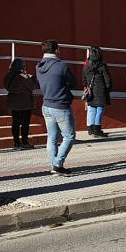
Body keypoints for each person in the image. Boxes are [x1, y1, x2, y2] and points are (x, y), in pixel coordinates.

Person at [36, 40, 78, 176]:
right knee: (69, 136)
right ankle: (57, 164)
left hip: (46, 104)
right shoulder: (61, 66)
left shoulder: (38, 66)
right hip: (60, 105)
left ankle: (54, 164)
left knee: (52, 137)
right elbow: (74, 83)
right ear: (56, 50)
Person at [3, 58, 35, 150]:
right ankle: (25, 142)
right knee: (25, 123)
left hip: (13, 103)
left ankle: (16, 142)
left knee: (15, 123)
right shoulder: (23, 76)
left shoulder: (8, 76)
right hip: (25, 103)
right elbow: (31, 86)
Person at [82, 46, 112, 138]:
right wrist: (108, 88)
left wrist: (87, 87)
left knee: (91, 109)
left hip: (90, 91)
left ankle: (91, 130)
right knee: (99, 109)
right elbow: (107, 79)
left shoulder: (86, 66)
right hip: (100, 91)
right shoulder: (102, 65)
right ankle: (97, 129)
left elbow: (84, 79)